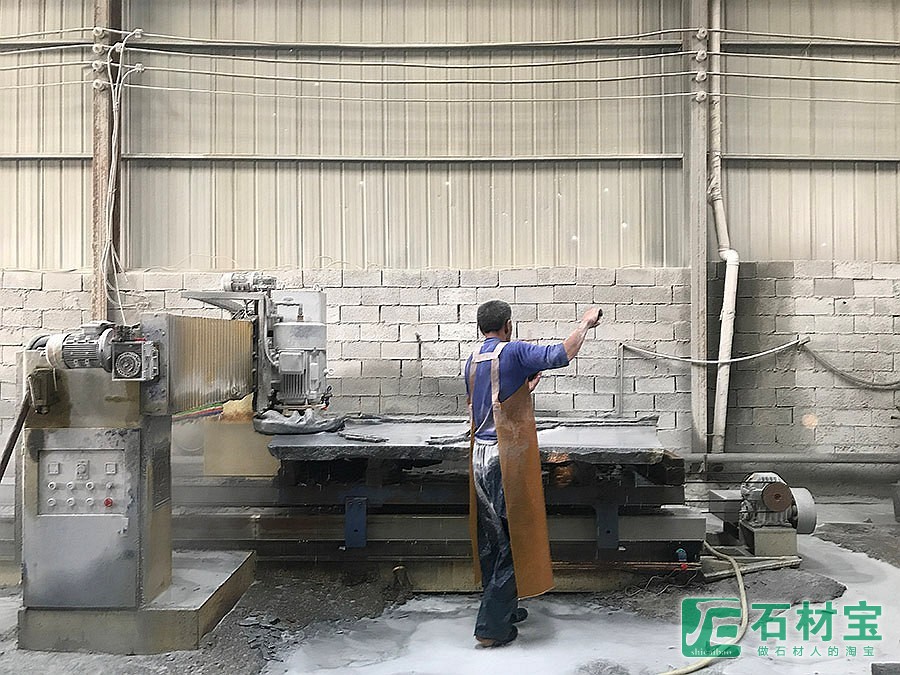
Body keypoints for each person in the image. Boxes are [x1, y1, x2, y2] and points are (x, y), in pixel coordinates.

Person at [464, 300, 603, 648]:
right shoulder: (514, 352)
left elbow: (486, 406)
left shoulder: (473, 360)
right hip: (504, 460)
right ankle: (491, 629)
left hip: (479, 457)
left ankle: (505, 610)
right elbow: (562, 353)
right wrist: (585, 324)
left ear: (481, 328)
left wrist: (524, 389)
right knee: (515, 539)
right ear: (508, 325)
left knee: (493, 539)